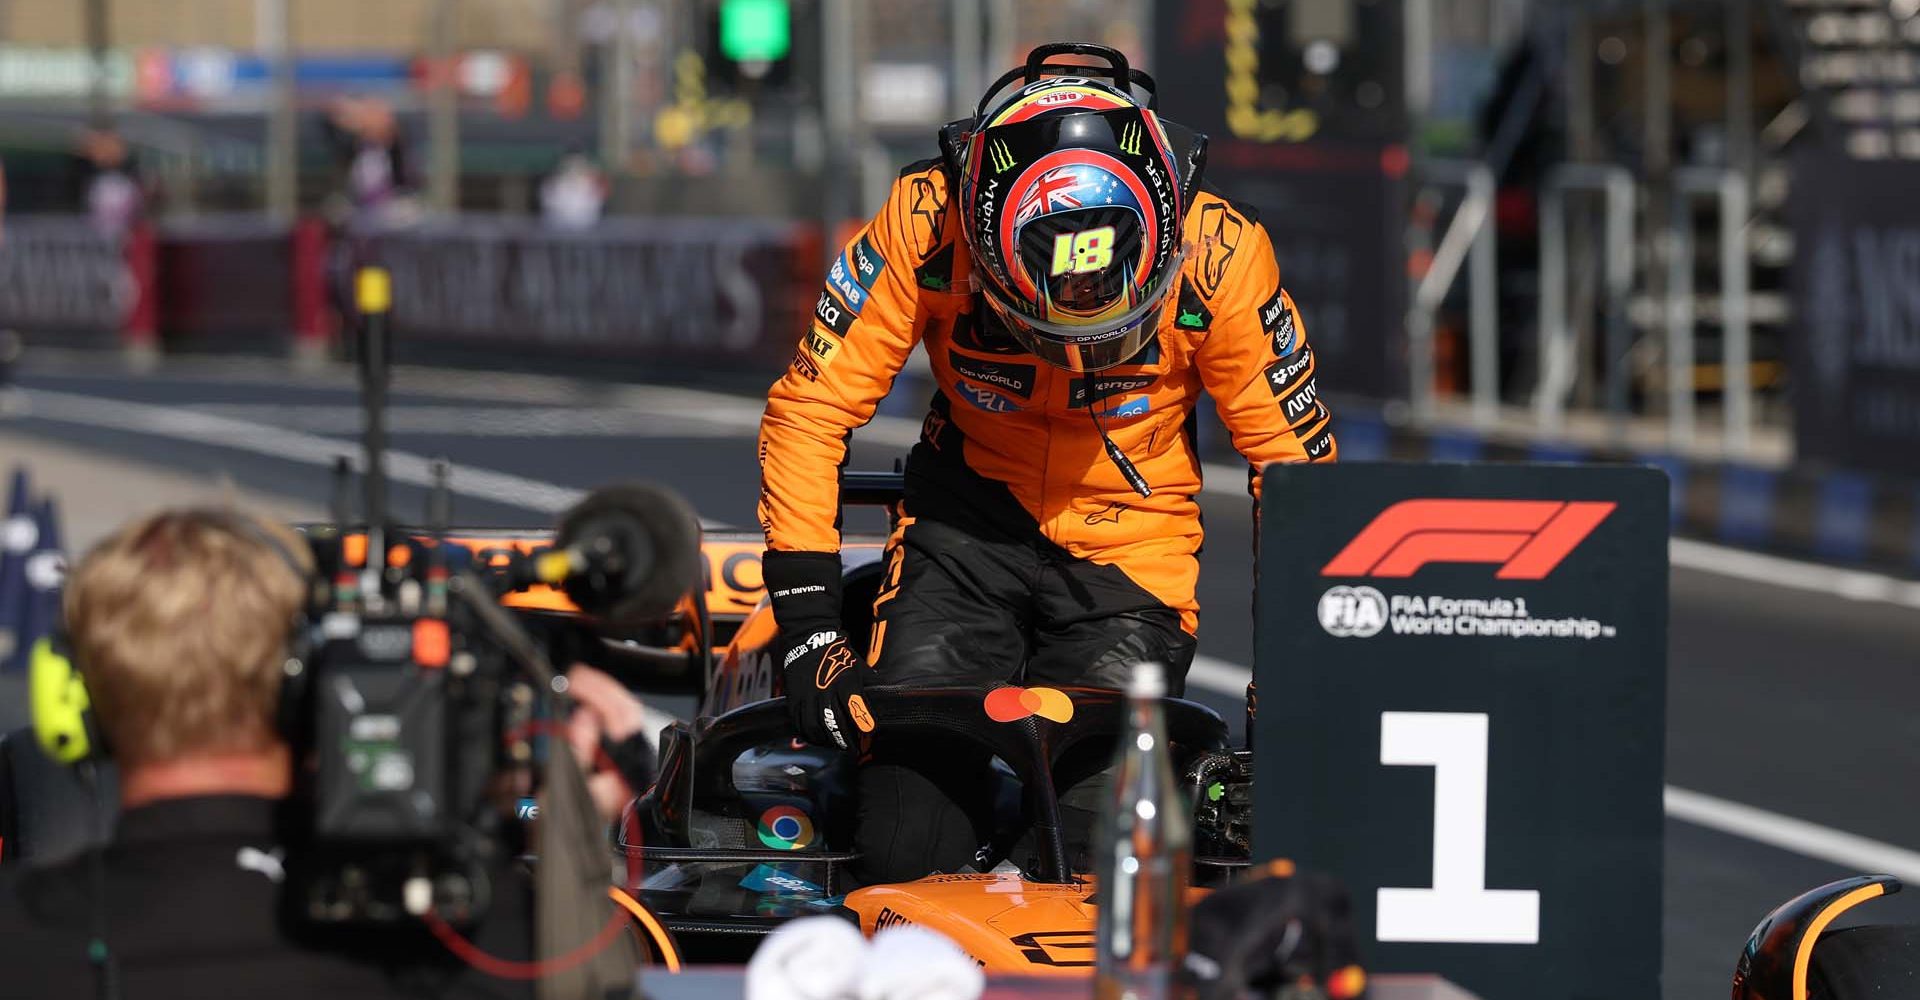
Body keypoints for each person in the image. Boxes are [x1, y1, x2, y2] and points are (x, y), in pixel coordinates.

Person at [757, 44, 1337, 885]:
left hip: (1133, 557)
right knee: (903, 846)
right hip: (962, 530)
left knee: (1097, 863)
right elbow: (811, 407)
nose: (1078, 355)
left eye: (1108, 331)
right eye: (1048, 332)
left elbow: (1296, 476)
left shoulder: (1224, 254)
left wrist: (1291, 689)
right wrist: (809, 625)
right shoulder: (927, 218)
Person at [0, 507, 653, 998]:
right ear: (309, 685)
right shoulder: (482, 941)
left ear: (74, 702)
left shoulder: (21, 938)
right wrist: (570, 846)